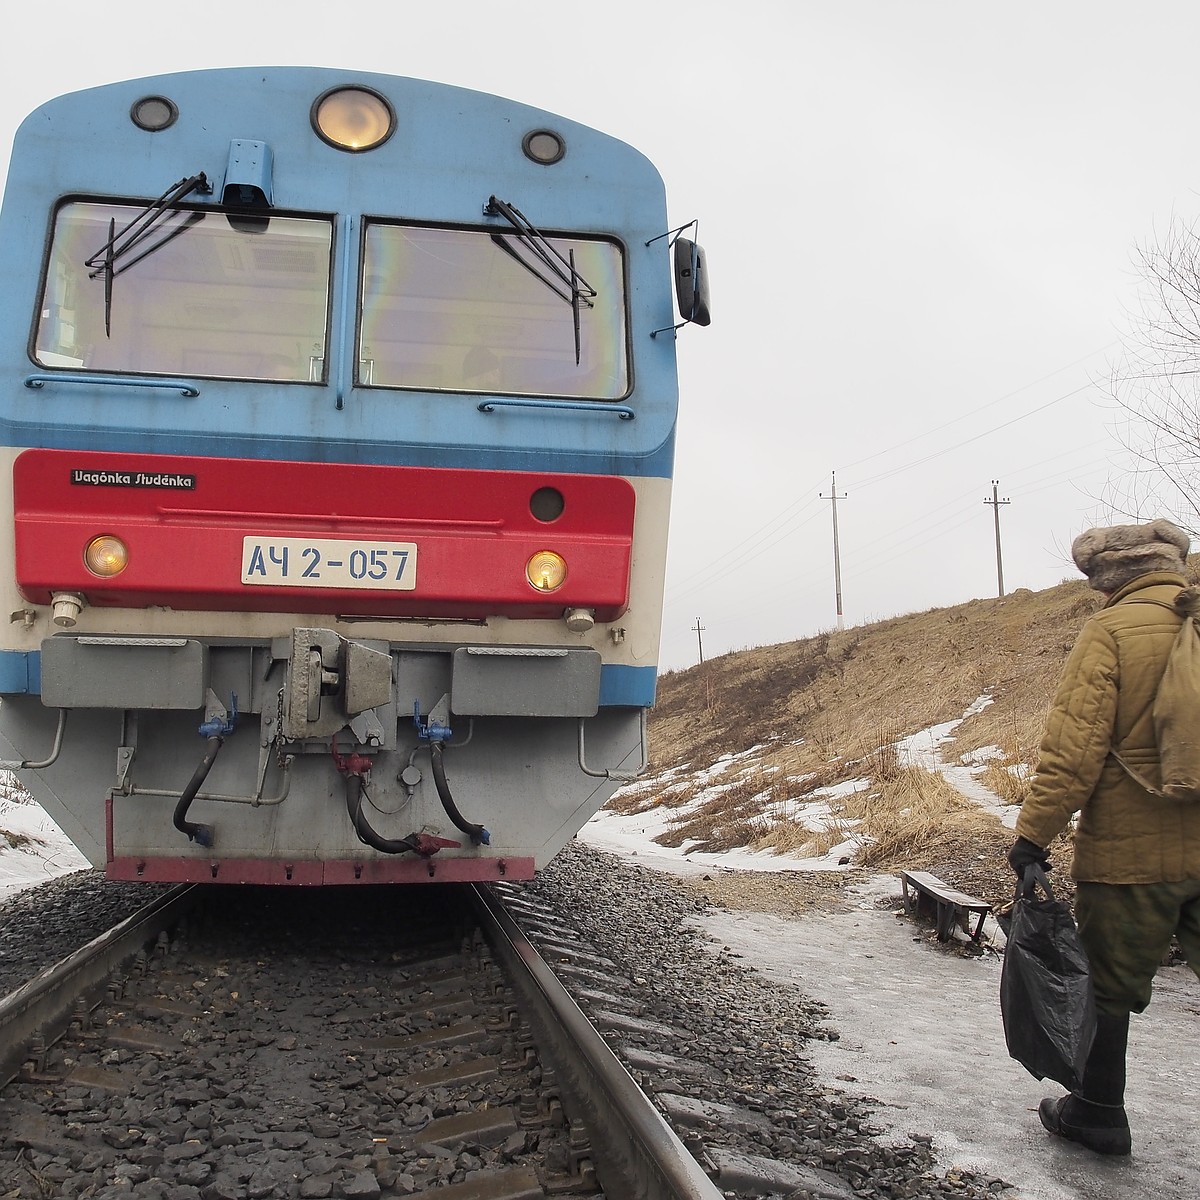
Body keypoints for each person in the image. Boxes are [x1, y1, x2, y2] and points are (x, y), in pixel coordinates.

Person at [1007, 517, 1200, 1157]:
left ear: (1107, 577)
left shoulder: (1111, 633)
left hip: (1130, 859)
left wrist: (1032, 840)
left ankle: (1096, 1112)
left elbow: (1073, 755)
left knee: (1107, 988)